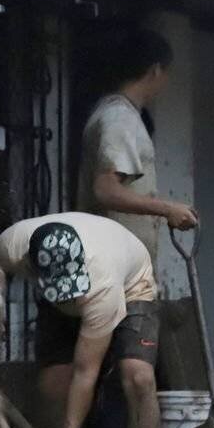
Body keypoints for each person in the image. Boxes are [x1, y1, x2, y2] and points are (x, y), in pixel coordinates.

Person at [0, 212, 161, 428]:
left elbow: (86, 372)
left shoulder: (103, 285)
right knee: (54, 384)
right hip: (57, 290)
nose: (69, 297)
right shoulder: (10, 247)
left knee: (138, 376)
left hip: (130, 286)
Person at [77, 27, 197, 265]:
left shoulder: (117, 114)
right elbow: (105, 189)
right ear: (155, 70)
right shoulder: (120, 118)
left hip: (118, 262)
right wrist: (167, 208)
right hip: (113, 263)